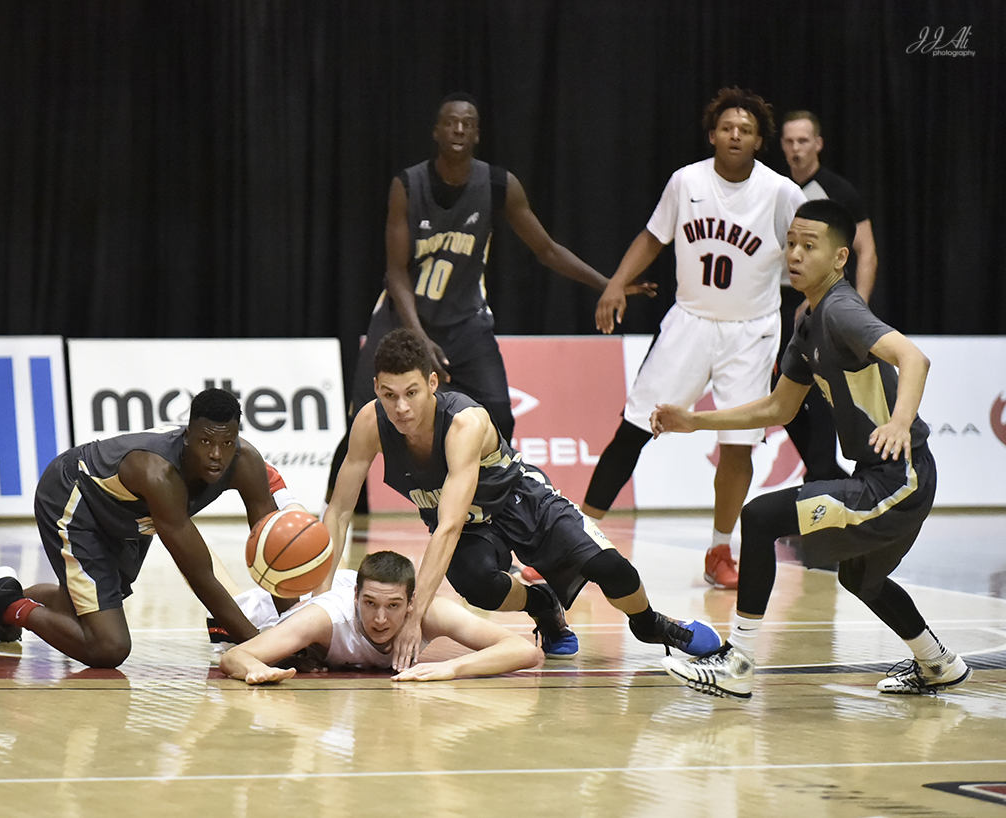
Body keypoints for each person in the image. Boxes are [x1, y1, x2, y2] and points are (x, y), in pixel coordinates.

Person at [653, 200, 969, 699]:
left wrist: (901, 422)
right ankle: (938, 662)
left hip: (898, 477)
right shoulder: (809, 321)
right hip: (887, 474)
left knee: (760, 517)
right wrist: (695, 421)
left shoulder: (842, 310)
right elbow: (779, 408)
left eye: (809, 245)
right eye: (791, 244)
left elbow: (914, 357)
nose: (795, 254)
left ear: (841, 258)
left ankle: (737, 663)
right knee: (861, 579)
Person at [325, 327, 721, 670]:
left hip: (519, 500)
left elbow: (445, 527)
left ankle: (650, 624)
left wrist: (414, 620)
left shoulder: (464, 423)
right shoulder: (369, 423)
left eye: (411, 392)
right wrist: (318, 601)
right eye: (390, 395)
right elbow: (340, 510)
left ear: (432, 383)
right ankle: (543, 604)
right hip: (468, 526)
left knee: (611, 568)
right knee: (479, 586)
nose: (402, 407)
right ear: (376, 388)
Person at [327, 92, 655, 502]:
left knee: (498, 414)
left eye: (468, 122)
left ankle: (495, 509)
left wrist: (608, 281)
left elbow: (547, 249)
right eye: (451, 121)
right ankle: (334, 514)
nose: (459, 128)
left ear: (478, 133)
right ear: (436, 131)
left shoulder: (499, 184)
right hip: (402, 320)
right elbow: (395, 273)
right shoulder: (408, 185)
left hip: (465, 323)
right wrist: (419, 340)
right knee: (364, 420)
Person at [581, 87, 806, 590]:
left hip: (751, 332)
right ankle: (574, 539)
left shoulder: (781, 193)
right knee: (635, 428)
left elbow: (807, 246)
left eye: (745, 130)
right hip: (690, 322)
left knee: (738, 447)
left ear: (758, 142)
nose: (735, 135)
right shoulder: (686, 181)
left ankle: (720, 549)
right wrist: (616, 283)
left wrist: (817, 298)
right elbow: (652, 236)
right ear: (712, 134)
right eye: (727, 127)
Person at [0, 388, 280, 668]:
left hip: (126, 517)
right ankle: (3, 606)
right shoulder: (158, 474)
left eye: (227, 443)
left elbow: (277, 554)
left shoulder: (246, 463)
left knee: (78, 609)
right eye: (206, 442)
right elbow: (202, 577)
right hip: (74, 498)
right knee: (108, 646)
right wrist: (266, 646)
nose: (217, 455)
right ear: (187, 435)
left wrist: (294, 627)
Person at [220, 550, 544, 683]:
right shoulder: (326, 617)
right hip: (281, 612)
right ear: (356, 598)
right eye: (370, 603)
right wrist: (260, 670)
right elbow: (237, 656)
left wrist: (452, 667)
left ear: (411, 604)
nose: (379, 619)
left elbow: (525, 651)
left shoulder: (430, 613)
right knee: (231, 608)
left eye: (393, 607)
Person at [780, 110, 880, 482]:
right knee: (779, 385)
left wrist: (857, 306)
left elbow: (866, 250)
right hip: (778, 301)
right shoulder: (777, 189)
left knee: (820, 385)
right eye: (788, 142)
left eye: (802, 141)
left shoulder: (838, 192)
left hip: (822, 299)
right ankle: (822, 469)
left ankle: (820, 471)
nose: (795, 149)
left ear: (818, 144)